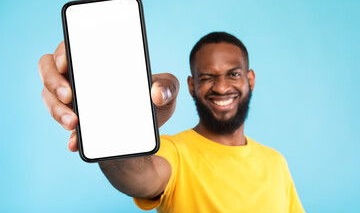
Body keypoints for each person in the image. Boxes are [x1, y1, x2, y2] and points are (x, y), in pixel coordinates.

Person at [38, 32, 305, 212]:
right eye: (207, 77)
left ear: (250, 80)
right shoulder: (174, 152)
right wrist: (108, 120)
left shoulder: (276, 162)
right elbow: (140, 176)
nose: (221, 87)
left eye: (233, 74)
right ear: (191, 85)